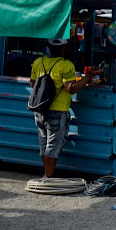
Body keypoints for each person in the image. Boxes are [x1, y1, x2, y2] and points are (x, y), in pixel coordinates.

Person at [30, 38, 96, 180]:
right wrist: (88, 76)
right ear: (65, 47)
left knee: (44, 143)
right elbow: (71, 88)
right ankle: (49, 176)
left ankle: (46, 174)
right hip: (58, 111)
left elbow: (33, 83)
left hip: (40, 110)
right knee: (53, 146)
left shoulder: (38, 62)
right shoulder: (66, 65)